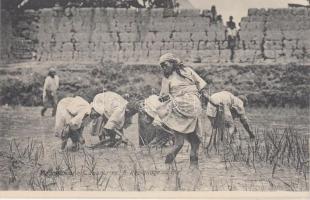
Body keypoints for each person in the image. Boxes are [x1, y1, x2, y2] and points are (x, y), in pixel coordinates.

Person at [154, 53, 209, 166]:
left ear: (173, 63)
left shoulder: (174, 75)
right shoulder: (184, 72)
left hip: (188, 108)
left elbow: (163, 96)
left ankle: (170, 169)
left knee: (187, 142)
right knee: (187, 142)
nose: (163, 68)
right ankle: (191, 171)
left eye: (165, 64)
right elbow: (201, 86)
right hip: (188, 107)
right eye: (162, 66)